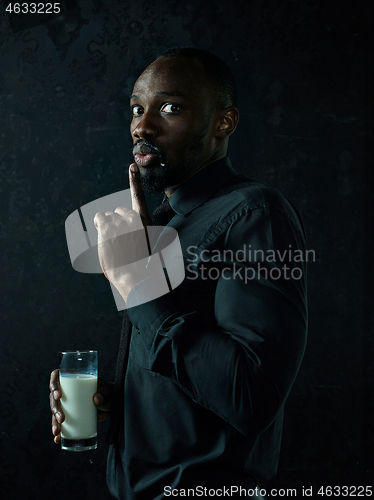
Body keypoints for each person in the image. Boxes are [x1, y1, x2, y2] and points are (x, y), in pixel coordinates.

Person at [50, 47, 308, 499]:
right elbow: (188, 373)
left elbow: (250, 397)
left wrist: (135, 283)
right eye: (136, 108)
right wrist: (123, 400)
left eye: (170, 108)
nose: (142, 126)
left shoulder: (255, 213)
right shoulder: (166, 222)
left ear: (223, 123)